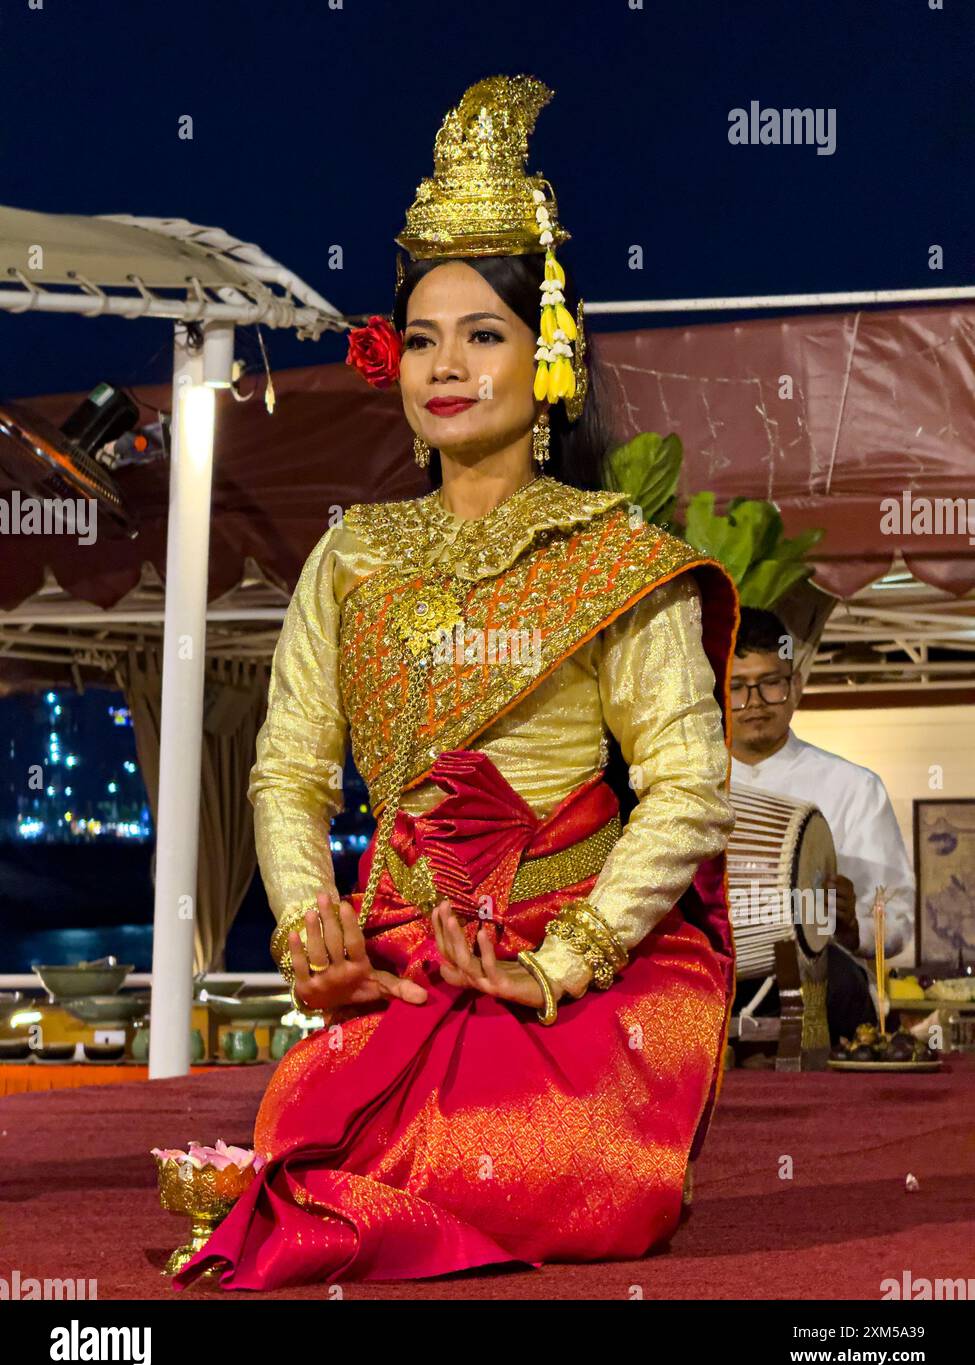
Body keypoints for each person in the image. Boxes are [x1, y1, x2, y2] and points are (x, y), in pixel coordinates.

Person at [174, 74, 740, 1292]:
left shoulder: (613, 558)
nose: (446, 364)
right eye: (421, 336)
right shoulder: (352, 552)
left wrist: (560, 959)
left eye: (482, 333)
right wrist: (307, 926)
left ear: (548, 353)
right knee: (315, 1132)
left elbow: (690, 785)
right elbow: (286, 766)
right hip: (396, 962)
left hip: (567, 974)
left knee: (525, 1163)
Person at [729, 607, 914, 1042]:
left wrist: (852, 926)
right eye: (736, 687)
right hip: (707, 986)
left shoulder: (853, 787)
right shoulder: (683, 787)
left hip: (824, 992)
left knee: (839, 982)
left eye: (770, 683)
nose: (754, 702)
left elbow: (898, 919)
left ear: (795, 686)